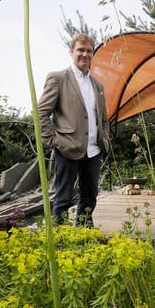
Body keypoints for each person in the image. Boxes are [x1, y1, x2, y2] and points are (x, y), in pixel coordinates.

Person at [38, 34, 110, 226]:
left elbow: (103, 118)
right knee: (63, 199)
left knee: (90, 197)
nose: (85, 54)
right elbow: (41, 113)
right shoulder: (58, 78)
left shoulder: (98, 85)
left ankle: (84, 236)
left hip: (93, 150)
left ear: (92, 54)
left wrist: (105, 140)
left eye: (88, 51)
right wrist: (53, 141)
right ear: (72, 52)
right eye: (80, 50)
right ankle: (60, 238)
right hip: (67, 148)